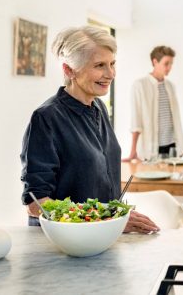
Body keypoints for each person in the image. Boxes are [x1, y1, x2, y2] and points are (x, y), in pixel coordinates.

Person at [20, 26, 158, 233]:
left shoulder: (99, 108)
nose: (110, 74)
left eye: (112, 64)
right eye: (99, 65)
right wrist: (105, 218)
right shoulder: (46, 118)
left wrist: (115, 217)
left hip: (99, 239)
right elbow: (36, 204)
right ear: (69, 70)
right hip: (62, 245)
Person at [123, 46, 183, 162]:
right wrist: (133, 150)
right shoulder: (139, 85)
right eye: (166, 63)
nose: (169, 67)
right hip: (151, 148)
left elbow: (176, 119)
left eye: (171, 64)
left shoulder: (171, 86)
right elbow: (136, 120)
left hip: (172, 146)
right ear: (155, 61)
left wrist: (181, 145)